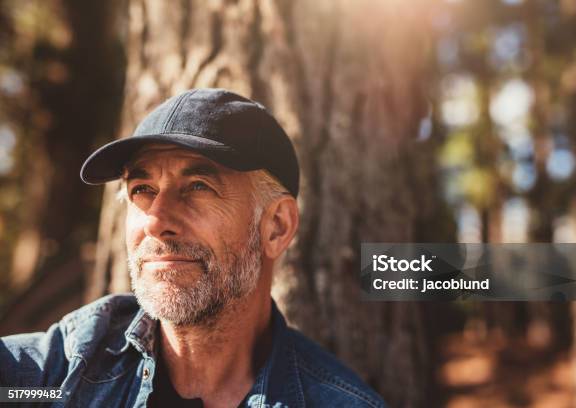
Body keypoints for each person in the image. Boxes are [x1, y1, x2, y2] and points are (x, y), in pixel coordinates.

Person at [0, 89, 386, 408]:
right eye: (142, 190)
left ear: (276, 227)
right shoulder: (65, 373)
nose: (156, 220)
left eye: (198, 187)